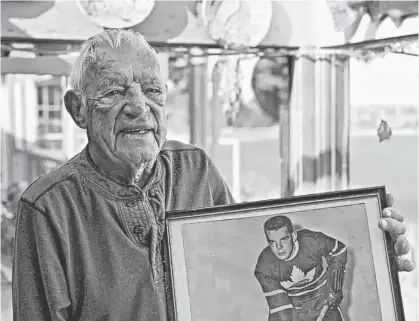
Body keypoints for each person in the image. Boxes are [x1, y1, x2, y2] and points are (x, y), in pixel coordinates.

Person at [12, 29, 414, 321]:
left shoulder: (196, 169)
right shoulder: (48, 208)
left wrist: (374, 259)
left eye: (153, 91)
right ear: (77, 109)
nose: (139, 107)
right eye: (115, 92)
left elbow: (242, 272)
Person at [255, 216, 348, 321]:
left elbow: (339, 251)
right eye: (272, 242)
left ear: (293, 236)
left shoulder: (311, 240)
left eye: (284, 239)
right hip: (295, 311)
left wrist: (335, 288)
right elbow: (280, 308)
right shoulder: (264, 266)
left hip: (323, 300)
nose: (279, 247)